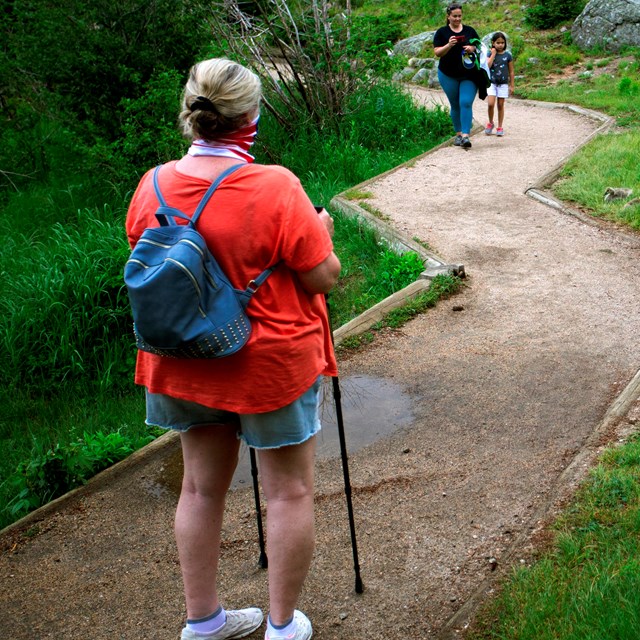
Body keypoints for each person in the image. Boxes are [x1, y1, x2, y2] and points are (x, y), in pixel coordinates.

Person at [126, 58, 341, 640]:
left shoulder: (153, 184)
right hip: (267, 365)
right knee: (288, 491)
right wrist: (320, 228)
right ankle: (281, 627)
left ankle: (204, 623)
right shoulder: (276, 186)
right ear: (250, 116)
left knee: (198, 487)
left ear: (193, 114)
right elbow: (322, 276)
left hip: (184, 362)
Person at [433, 2, 480, 149]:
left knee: (465, 102)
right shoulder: (442, 32)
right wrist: (449, 45)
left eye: (460, 16)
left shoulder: (470, 31)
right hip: (448, 74)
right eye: (454, 16)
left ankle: (466, 136)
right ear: (448, 16)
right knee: (455, 104)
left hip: (469, 73)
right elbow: (437, 53)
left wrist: (472, 48)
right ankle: (459, 134)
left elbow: (479, 46)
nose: (457, 19)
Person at [485, 32, 515, 137]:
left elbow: (511, 71)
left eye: (502, 42)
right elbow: (487, 66)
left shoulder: (508, 56)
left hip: (503, 84)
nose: (500, 45)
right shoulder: (490, 54)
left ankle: (500, 126)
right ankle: (490, 122)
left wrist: (512, 85)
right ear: (493, 43)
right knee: (490, 104)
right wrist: (493, 54)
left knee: (500, 105)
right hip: (491, 83)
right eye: (498, 42)